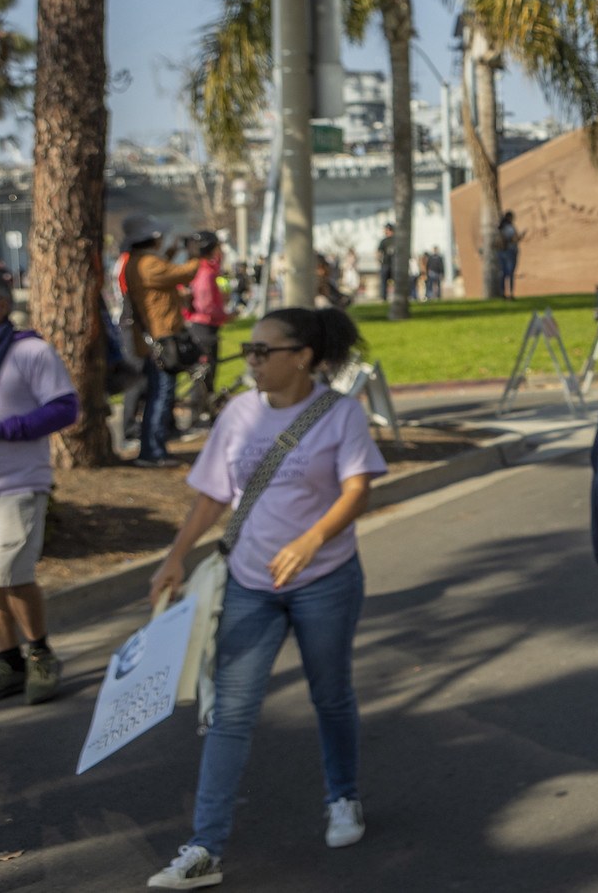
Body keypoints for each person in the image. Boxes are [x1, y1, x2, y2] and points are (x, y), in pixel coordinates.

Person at [145, 306, 387, 889]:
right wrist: (175, 556)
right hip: (251, 585)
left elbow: (357, 491)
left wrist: (312, 539)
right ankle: (204, 846)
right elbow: (210, 497)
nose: (249, 360)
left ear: (301, 356)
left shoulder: (339, 414)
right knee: (229, 714)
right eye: (248, 350)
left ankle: (343, 797)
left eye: (261, 351)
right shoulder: (237, 414)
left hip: (324, 579)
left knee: (330, 695)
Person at [0, 274, 78, 707]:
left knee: (10, 574)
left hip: (19, 483)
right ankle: (8, 664)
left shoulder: (29, 351)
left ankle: (40, 652)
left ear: (2, 305)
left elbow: (64, 408)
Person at [119, 213, 199, 468]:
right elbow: (183, 274)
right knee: (161, 396)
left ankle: (154, 449)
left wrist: (175, 250)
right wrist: (197, 254)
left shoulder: (140, 261)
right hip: (161, 339)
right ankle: (152, 452)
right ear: (152, 239)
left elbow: (165, 268)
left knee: (159, 394)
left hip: (155, 338)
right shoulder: (147, 264)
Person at [182, 230, 229, 431]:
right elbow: (206, 305)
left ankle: (204, 413)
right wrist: (227, 315)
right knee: (203, 375)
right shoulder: (205, 272)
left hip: (202, 326)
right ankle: (199, 415)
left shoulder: (201, 268)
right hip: (204, 327)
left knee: (205, 374)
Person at [497, 211, 522, 299]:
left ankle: (502, 292)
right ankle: (511, 293)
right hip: (510, 252)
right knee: (510, 273)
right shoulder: (510, 228)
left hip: (501, 252)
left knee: (503, 273)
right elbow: (515, 239)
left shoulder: (501, 228)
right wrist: (520, 237)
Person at [375, 224, 397, 303]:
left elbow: (378, 253)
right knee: (393, 282)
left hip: (388, 264)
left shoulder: (385, 241)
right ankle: (388, 297)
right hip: (391, 264)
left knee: (385, 282)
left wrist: (379, 261)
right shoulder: (396, 240)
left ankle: (384, 298)